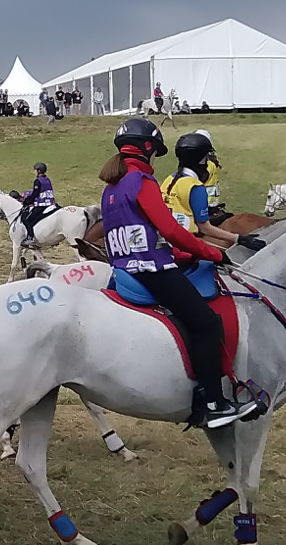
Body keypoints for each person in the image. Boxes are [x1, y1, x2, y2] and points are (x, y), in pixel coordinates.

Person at [99, 119, 259, 429]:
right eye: (156, 153)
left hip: (123, 268)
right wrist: (213, 252)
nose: (156, 160)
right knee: (207, 323)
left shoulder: (111, 188)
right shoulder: (142, 183)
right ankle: (214, 402)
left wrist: (184, 255)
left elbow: (139, 235)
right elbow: (170, 230)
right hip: (150, 270)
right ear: (147, 150)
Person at [162, 133, 267, 251]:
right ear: (201, 159)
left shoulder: (168, 180)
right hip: (186, 242)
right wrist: (239, 238)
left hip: (166, 239)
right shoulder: (195, 187)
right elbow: (204, 228)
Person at [191, 129, 227, 223]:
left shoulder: (207, 165)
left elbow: (193, 184)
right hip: (209, 203)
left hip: (204, 206)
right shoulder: (210, 163)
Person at [18, 163, 58, 235]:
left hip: (42, 204)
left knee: (26, 219)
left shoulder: (38, 181)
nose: (34, 172)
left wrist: (26, 202)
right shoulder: (47, 179)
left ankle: (30, 237)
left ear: (39, 171)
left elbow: (35, 194)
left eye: (35, 170)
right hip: (51, 203)